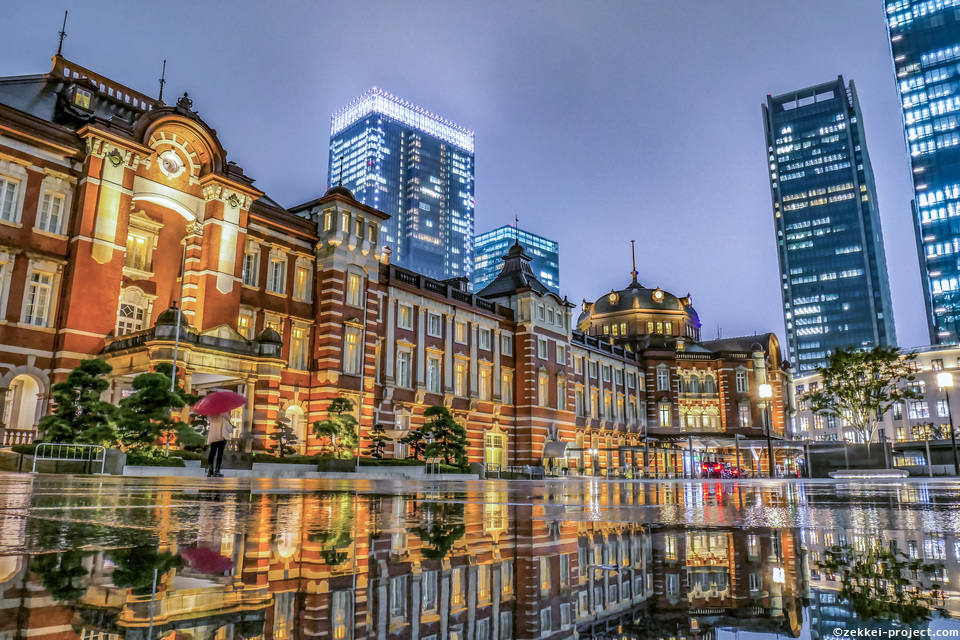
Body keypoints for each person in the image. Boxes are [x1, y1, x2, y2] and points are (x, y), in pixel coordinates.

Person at [206, 412, 233, 477]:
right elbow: (229, 428)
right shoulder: (225, 414)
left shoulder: (211, 414)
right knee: (219, 454)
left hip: (214, 436)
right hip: (222, 437)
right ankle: (217, 471)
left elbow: (209, 420)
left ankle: (210, 470)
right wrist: (227, 417)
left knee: (212, 452)